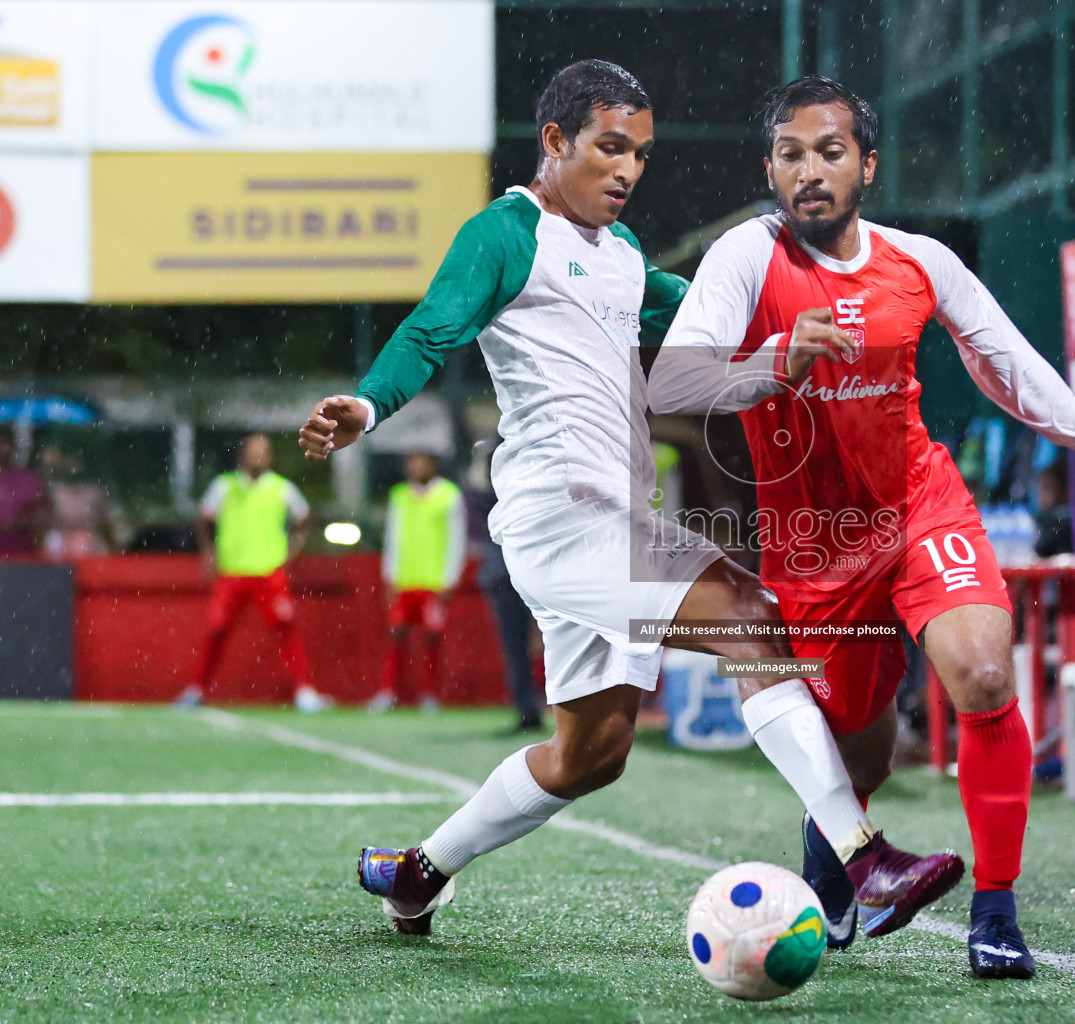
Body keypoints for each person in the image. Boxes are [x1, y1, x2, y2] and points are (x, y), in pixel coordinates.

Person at [297, 61, 957, 939]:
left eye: (640, 154)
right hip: (559, 520)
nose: (628, 171)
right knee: (749, 615)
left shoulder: (623, 256)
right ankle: (862, 859)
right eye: (610, 148)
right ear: (555, 142)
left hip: (615, 526)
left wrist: (792, 326)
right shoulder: (506, 232)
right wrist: (370, 403)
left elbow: (690, 317)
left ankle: (420, 873)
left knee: (591, 756)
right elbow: (433, 327)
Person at [649, 76, 1075, 979]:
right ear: (771, 167)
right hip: (815, 550)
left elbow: (1008, 365)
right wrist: (772, 359)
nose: (809, 172)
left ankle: (996, 911)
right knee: (858, 744)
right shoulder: (745, 258)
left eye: (829, 152)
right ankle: (832, 866)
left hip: (918, 509)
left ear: (866, 164)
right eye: (790, 155)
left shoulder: (918, 262)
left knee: (985, 675)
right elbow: (672, 385)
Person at [177, 433, 332, 712]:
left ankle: (304, 691)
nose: (258, 456)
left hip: (268, 571)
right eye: (253, 451)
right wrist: (210, 552)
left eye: (263, 451)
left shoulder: (281, 488)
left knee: (285, 629)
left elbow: (305, 518)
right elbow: (204, 518)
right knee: (216, 630)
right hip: (233, 571)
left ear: (270, 458)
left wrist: (292, 550)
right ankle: (196, 689)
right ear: (243, 455)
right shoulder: (225, 486)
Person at [369, 452, 466, 713]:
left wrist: (450, 578)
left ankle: (429, 694)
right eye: (411, 463)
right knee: (395, 634)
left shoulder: (449, 495)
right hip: (404, 579)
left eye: (420, 463)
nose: (415, 468)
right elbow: (392, 537)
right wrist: (389, 576)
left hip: (434, 581)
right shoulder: (399, 495)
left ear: (432, 466)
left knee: (432, 638)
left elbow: (457, 538)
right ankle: (388, 692)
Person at [464, 440, 544, 732]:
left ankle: (554, 710)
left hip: (528, 570)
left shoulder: (526, 468)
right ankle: (529, 711)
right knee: (518, 648)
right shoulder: (498, 467)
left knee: (539, 646)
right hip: (511, 573)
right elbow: (477, 503)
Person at [39, 446, 128, 559]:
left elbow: (108, 525)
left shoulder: (95, 492)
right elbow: (42, 525)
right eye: (68, 458)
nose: (73, 465)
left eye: (76, 459)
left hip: (92, 545)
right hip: (60, 545)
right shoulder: (53, 491)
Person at [0, 425, 46, 556]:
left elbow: (41, 518)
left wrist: (22, 521)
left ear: (11, 444)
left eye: (3, 443)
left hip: (22, 557)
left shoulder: (28, 480)